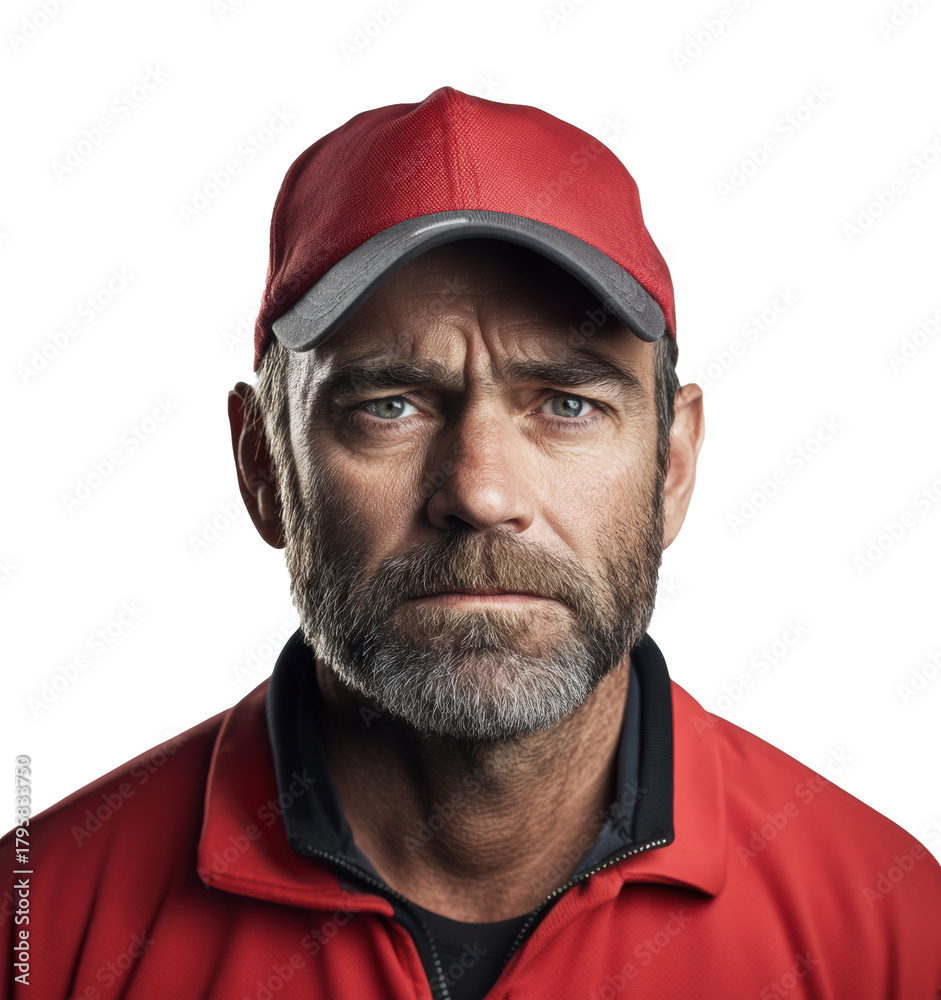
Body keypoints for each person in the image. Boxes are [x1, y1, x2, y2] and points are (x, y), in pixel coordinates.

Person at [3, 85, 940, 1000]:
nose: (481, 492)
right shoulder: (39, 931)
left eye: (567, 403)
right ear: (264, 468)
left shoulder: (888, 928)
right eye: (389, 405)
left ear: (672, 467)